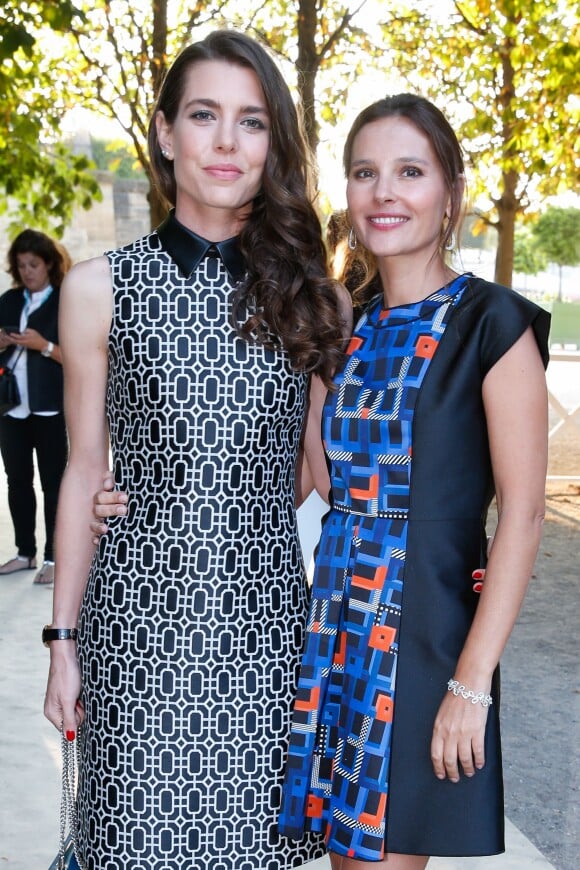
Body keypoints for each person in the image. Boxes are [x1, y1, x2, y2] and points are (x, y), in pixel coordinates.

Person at [43, 29, 349, 870]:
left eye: (251, 122)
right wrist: (62, 642)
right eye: (204, 115)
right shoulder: (97, 287)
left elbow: (315, 476)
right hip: (136, 631)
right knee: (129, 845)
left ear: (273, 144)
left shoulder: (311, 296)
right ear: (166, 133)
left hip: (267, 636)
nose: (225, 142)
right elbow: (81, 469)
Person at [276, 94, 550, 868]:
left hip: (424, 630)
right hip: (337, 617)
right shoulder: (345, 326)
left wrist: (470, 686)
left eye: (409, 171)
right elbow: (318, 481)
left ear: (451, 192)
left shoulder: (492, 323)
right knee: (346, 857)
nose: (384, 192)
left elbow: (524, 517)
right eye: (365, 173)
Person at [0, 229, 69, 585]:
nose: (27, 272)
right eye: (21, 265)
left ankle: (54, 559)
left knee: (54, 485)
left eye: (34, 264)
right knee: (17, 482)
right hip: (12, 407)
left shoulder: (64, 301)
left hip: (50, 408)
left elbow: (75, 357)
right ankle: (24, 552)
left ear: (49, 265)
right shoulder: (10, 300)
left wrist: (42, 345)